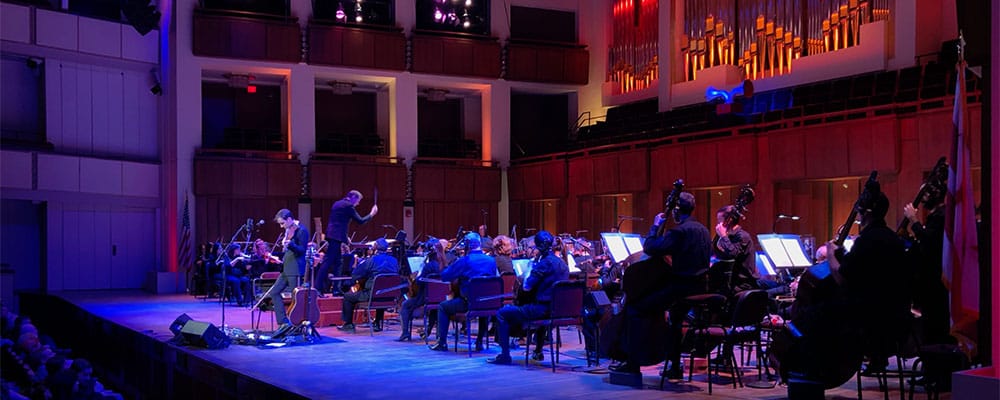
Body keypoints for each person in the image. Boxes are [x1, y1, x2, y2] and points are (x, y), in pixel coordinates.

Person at [610, 192, 712, 378]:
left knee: (635, 308)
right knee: (675, 320)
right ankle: (673, 367)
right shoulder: (704, 230)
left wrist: (656, 225)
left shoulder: (679, 232)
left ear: (676, 211)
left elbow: (651, 247)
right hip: (701, 287)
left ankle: (632, 364)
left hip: (681, 288)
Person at [829, 187, 909, 372]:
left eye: (861, 211)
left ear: (867, 213)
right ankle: (876, 357)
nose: (859, 215)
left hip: (870, 317)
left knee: (819, 314)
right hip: (895, 315)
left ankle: (827, 367)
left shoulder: (866, 240)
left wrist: (831, 254)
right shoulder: (893, 238)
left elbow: (842, 279)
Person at [487, 230, 570, 365]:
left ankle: (505, 355)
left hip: (542, 310)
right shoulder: (562, 264)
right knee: (539, 309)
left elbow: (526, 286)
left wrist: (531, 266)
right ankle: (538, 351)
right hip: (558, 311)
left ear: (537, 246)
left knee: (502, 313)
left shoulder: (543, 264)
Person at [429, 232, 498, 352]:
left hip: (468, 303)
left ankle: (442, 343)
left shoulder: (465, 261)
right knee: (482, 303)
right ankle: (479, 342)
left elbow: (445, 276)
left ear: (466, 246)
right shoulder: (491, 261)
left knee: (442, 307)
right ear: (480, 244)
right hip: (488, 303)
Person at [903, 201, 952, 345]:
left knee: (935, 328)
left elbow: (929, 244)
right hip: (932, 282)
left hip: (935, 281)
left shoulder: (941, 217)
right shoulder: (938, 216)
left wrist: (914, 220)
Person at [318, 190, 378, 295]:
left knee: (338, 263)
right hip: (336, 237)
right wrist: (371, 214)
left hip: (334, 235)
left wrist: (344, 236)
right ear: (353, 197)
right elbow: (360, 221)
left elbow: (339, 222)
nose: (358, 203)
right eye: (358, 200)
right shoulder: (348, 206)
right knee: (327, 262)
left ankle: (336, 289)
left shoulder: (338, 203)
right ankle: (318, 288)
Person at [337, 238, 399, 333]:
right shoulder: (394, 261)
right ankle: (378, 323)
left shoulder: (371, 261)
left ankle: (348, 324)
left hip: (371, 295)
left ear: (375, 248)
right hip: (388, 297)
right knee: (381, 290)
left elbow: (356, 275)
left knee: (348, 296)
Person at [398, 238, 447, 341]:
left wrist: (417, 275)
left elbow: (419, 283)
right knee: (435, 308)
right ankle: (431, 332)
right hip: (442, 299)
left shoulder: (428, 266)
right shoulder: (445, 265)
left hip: (425, 297)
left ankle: (405, 333)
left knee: (405, 305)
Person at [268, 209, 310, 326]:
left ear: (290, 219)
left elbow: (302, 250)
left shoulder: (301, 230)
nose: (281, 226)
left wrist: (290, 244)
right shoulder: (289, 230)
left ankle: (296, 323)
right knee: (274, 292)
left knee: (296, 298)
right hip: (287, 268)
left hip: (295, 268)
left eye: (282, 223)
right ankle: (283, 321)